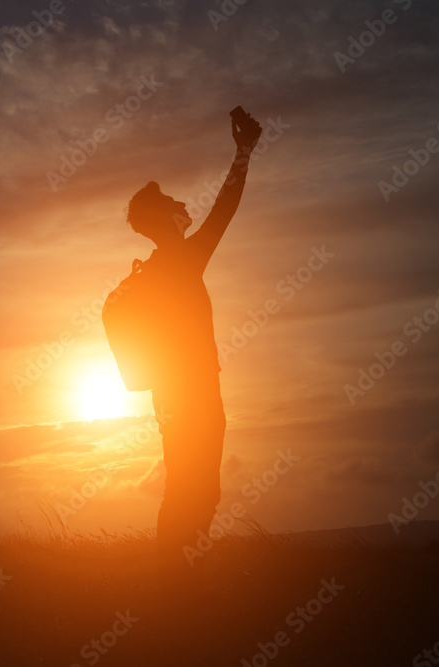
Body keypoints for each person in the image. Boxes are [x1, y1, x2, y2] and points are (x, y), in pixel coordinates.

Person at [123, 109, 263, 597]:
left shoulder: (156, 269)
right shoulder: (181, 260)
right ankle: (179, 592)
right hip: (194, 391)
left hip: (172, 394)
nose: (182, 202)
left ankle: (178, 587)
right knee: (195, 489)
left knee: (188, 487)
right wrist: (243, 152)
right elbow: (224, 208)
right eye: (171, 201)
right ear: (162, 218)